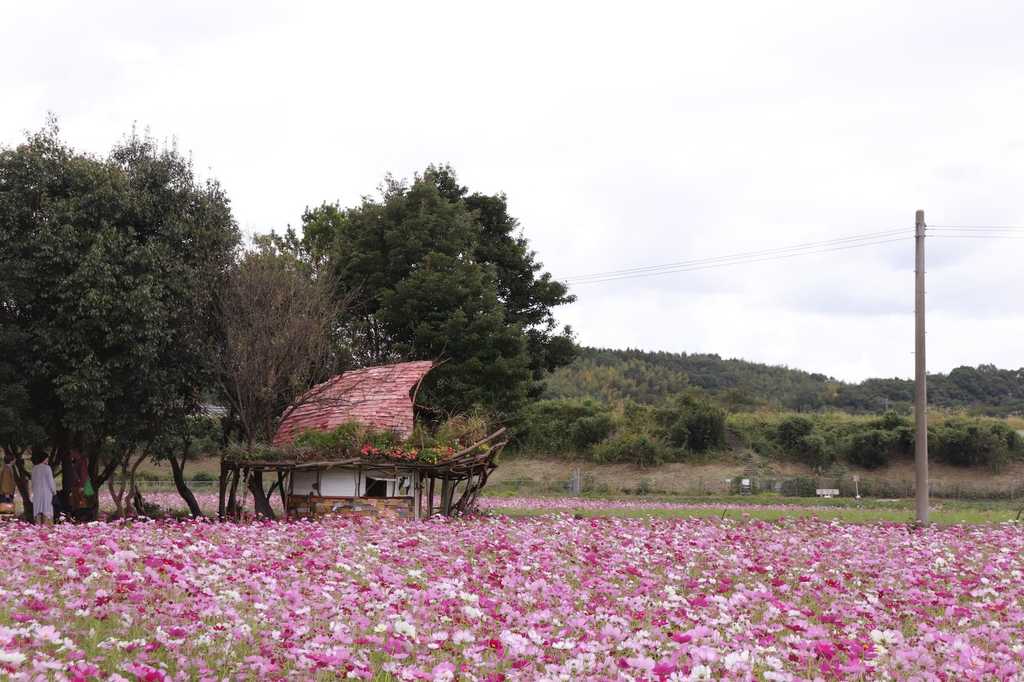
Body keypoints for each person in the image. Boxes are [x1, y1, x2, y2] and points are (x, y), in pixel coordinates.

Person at [30, 452, 56, 525]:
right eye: (47, 458)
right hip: (46, 492)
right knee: (47, 509)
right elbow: (51, 481)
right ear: (44, 458)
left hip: (37, 492)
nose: (47, 459)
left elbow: (32, 481)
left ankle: (38, 525)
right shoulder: (47, 468)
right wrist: (54, 491)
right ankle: (47, 526)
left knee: (37, 509)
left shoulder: (34, 468)